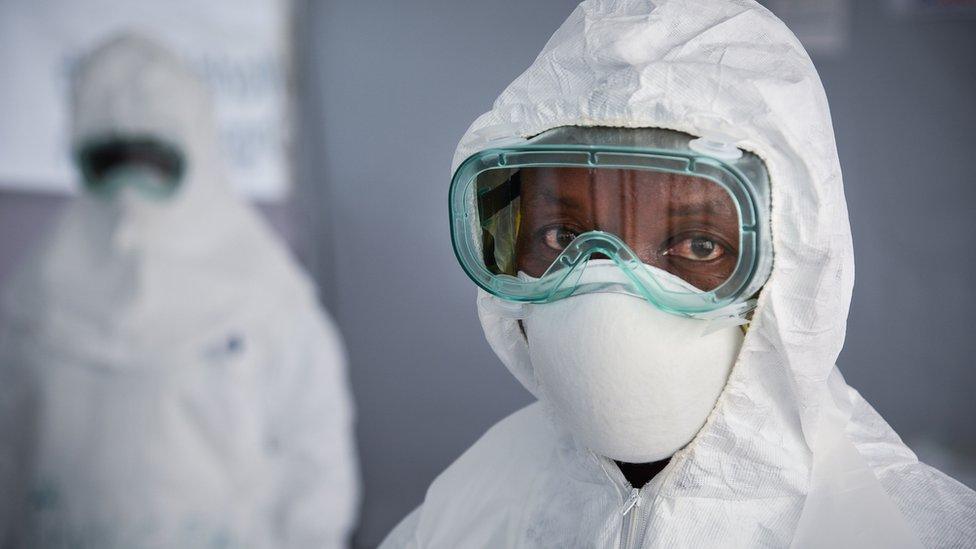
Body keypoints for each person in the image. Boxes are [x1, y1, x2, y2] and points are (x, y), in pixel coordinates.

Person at [381, 0, 976, 547]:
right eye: (562, 237)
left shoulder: (905, 527)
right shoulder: (473, 507)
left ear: (793, 267)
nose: (608, 295)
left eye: (696, 244)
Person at [0, 34, 359, 547]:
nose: (130, 193)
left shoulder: (270, 298)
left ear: (198, 149)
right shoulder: (36, 297)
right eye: (110, 162)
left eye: (153, 163)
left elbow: (317, 461)